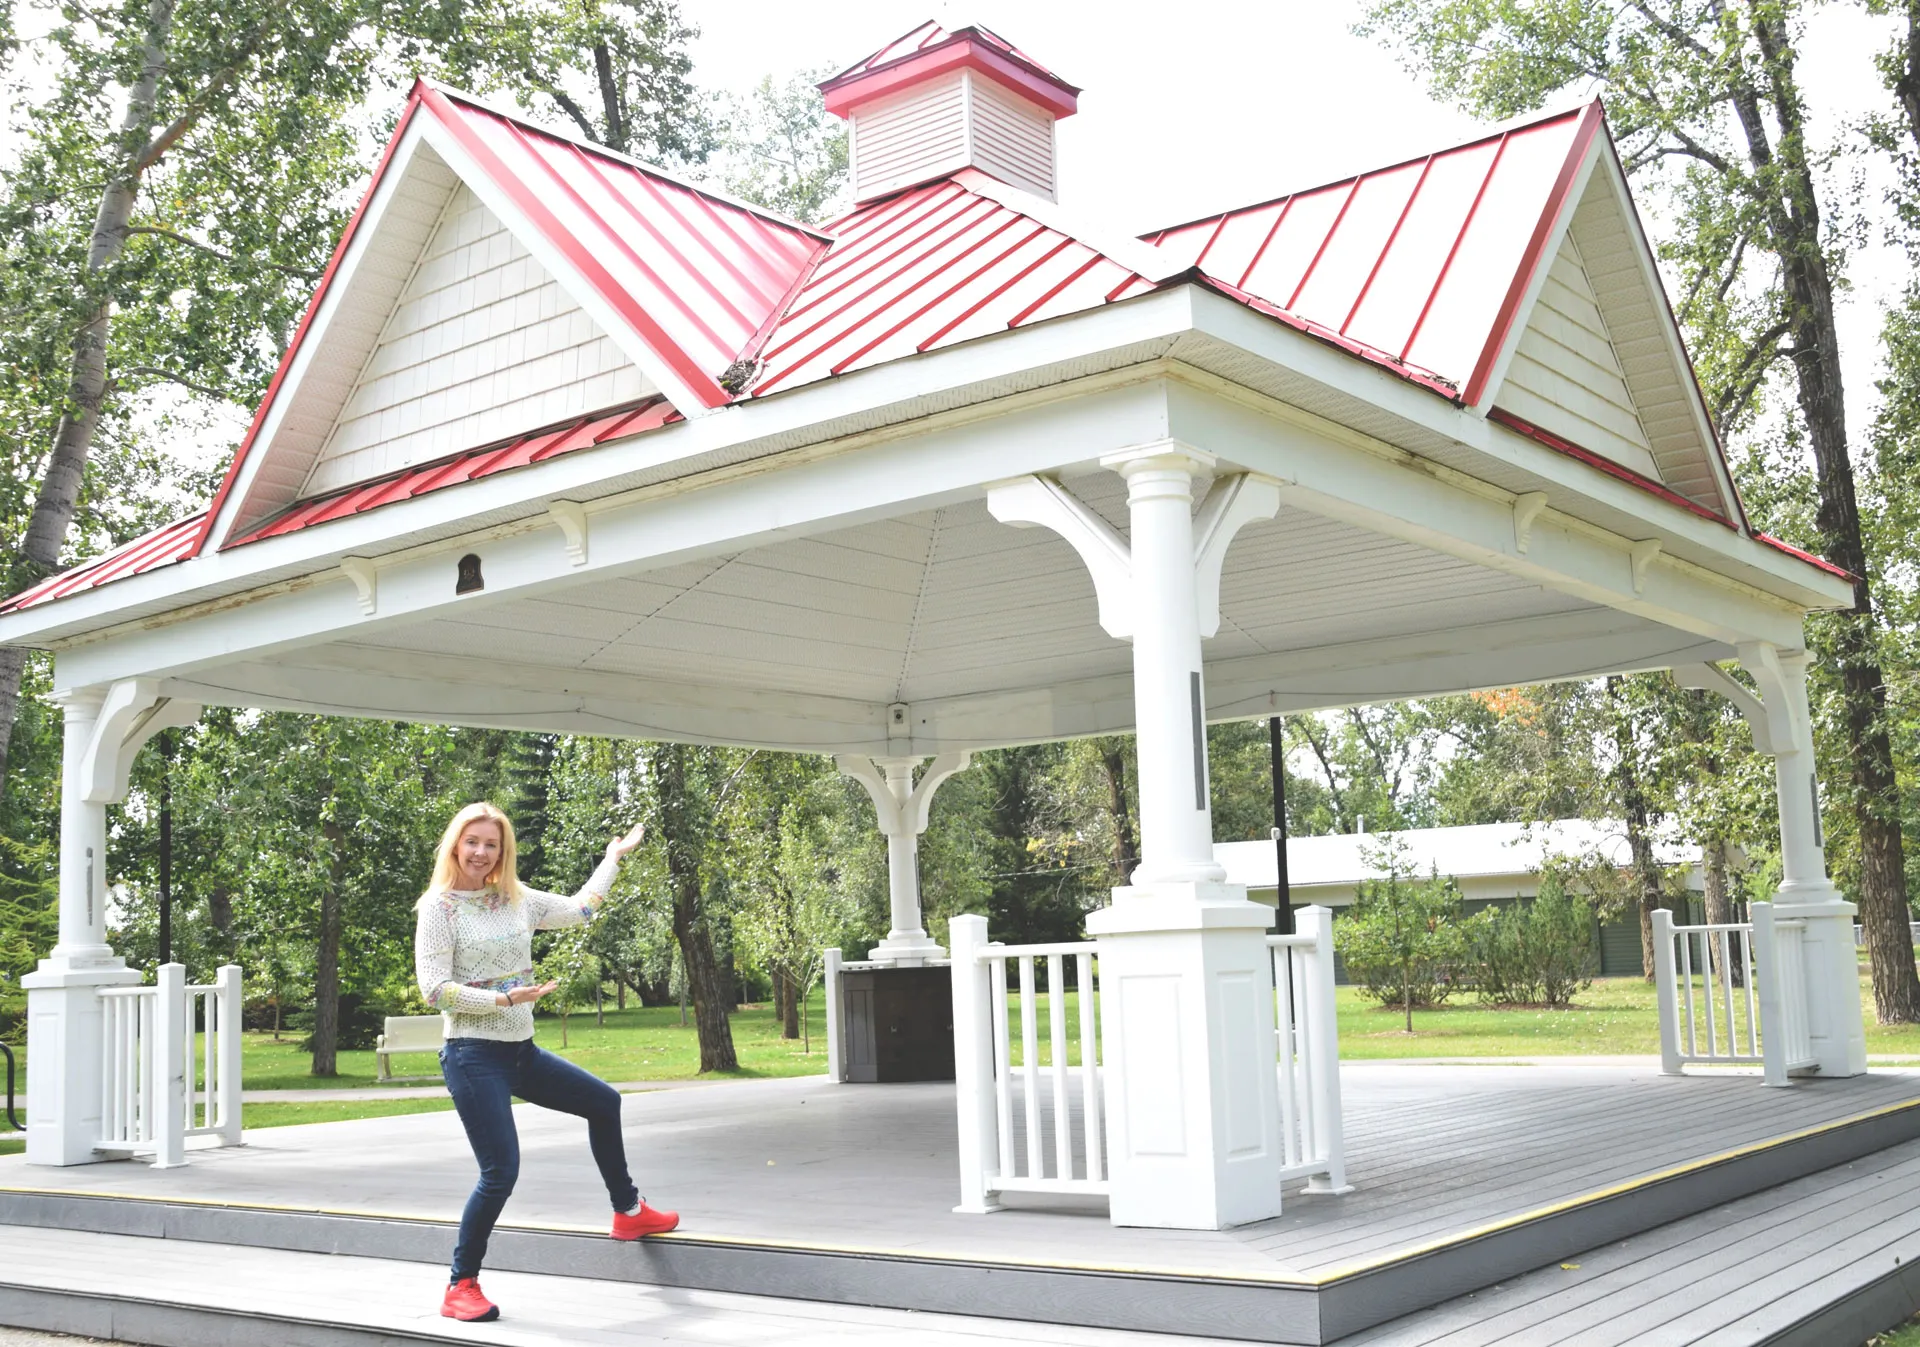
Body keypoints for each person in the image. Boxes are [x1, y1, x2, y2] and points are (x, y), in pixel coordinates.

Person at [414, 801, 675, 1323]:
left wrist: (613, 857)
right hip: (472, 1055)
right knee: (500, 1172)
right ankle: (459, 1286)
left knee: (604, 1102)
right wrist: (504, 1000)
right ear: (455, 845)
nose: (481, 853)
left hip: (521, 1053)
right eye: (473, 843)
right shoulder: (438, 909)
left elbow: (583, 908)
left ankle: (629, 1213)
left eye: (492, 844)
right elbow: (433, 990)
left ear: (503, 851)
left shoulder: (517, 899)